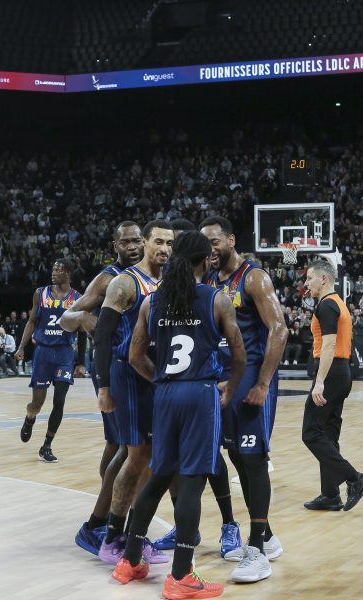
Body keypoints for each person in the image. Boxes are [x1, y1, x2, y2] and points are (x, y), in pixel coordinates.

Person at [111, 231, 245, 599]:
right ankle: (182, 575)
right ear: (207, 261)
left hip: (165, 394)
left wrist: (163, 380)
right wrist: (230, 388)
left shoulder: (151, 302)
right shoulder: (217, 299)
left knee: (158, 477)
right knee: (191, 483)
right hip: (200, 393)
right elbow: (239, 354)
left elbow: (135, 356)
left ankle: (130, 561)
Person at [201, 216, 288, 583]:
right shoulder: (208, 280)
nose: (211, 250)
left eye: (216, 242)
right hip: (224, 379)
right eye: (206, 245)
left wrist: (264, 383)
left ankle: (256, 551)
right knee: (235, 456)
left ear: (231, 240)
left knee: (253, 459)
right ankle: (266, 535)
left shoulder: (254, 277)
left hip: (252, 378)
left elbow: (279, 328)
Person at [60, 221, 144, 556]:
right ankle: (102, 522)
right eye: (125, 242)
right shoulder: (108, 278)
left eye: (137, 240)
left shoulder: (149, 275)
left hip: (135, 367)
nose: (132, 246)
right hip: (113, 368)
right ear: (115, 246)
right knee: (125, 447)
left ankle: (110, 514)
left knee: (122, 446)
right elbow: (67, 316)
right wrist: (82, 319)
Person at [95, 220, 173, 565]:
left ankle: (134, 536)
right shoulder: (125, 282)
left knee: (151, 459)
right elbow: (101, 336)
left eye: (170, 244)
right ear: (144, 243)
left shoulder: (167, 281)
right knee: (136, 455)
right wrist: (103, 387)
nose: (165, 249)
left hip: (154, 375)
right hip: (126, 375)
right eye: (158, 242)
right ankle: (112, 538)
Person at [301, 259, 363, 511]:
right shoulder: (339, 303)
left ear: (324, 279)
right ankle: (330, 494)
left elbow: (329, 345)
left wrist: (319, 382)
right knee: (328, 435)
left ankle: (355, 478)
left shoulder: (327, 305)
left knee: (310, 433)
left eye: (309, 278)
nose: (306, 283)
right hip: (342, 372)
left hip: (330, 373)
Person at [15, 258, 82, 463]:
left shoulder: (78, 298)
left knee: (59, 400)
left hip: (64, 354)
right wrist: (21, 347)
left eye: (59, 269)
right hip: (43, 353)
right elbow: (32, 321)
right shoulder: (40, 293)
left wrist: (80, 362)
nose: (54, 272)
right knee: (37, 403)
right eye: (53, 268)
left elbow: (82, 329)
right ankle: (30, 418)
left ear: (68, 273)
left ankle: (47, 445)